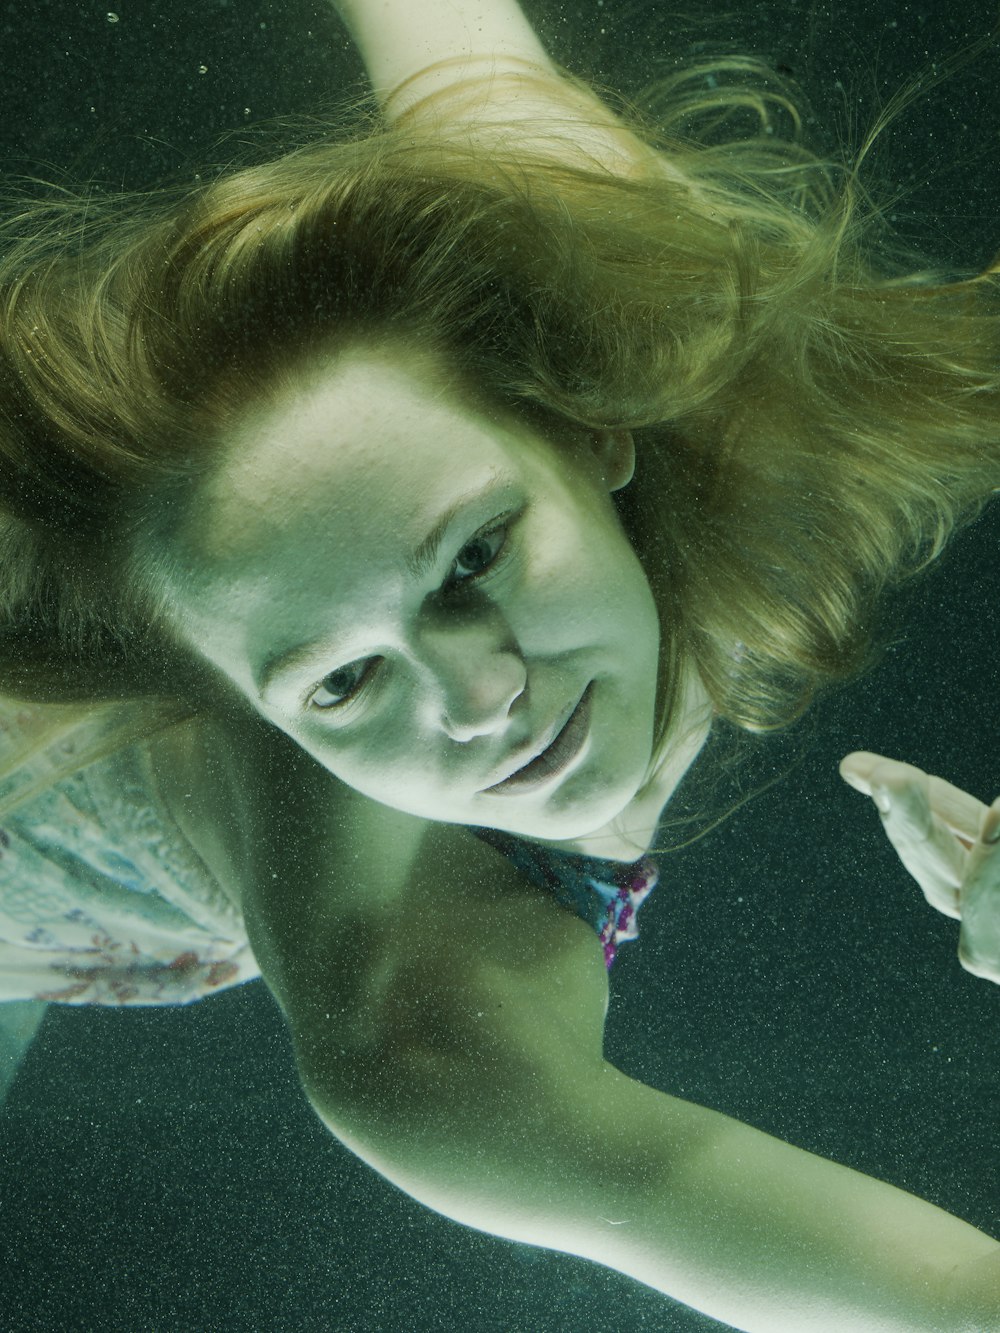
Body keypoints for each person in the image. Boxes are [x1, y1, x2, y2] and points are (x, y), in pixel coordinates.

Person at [0, 0, 998, 1327]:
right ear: (229, 693)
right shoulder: (414, 1031)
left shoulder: (633, 276)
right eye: (342, 683)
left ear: (591, 430)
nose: (484, 699)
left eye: (473, 558)